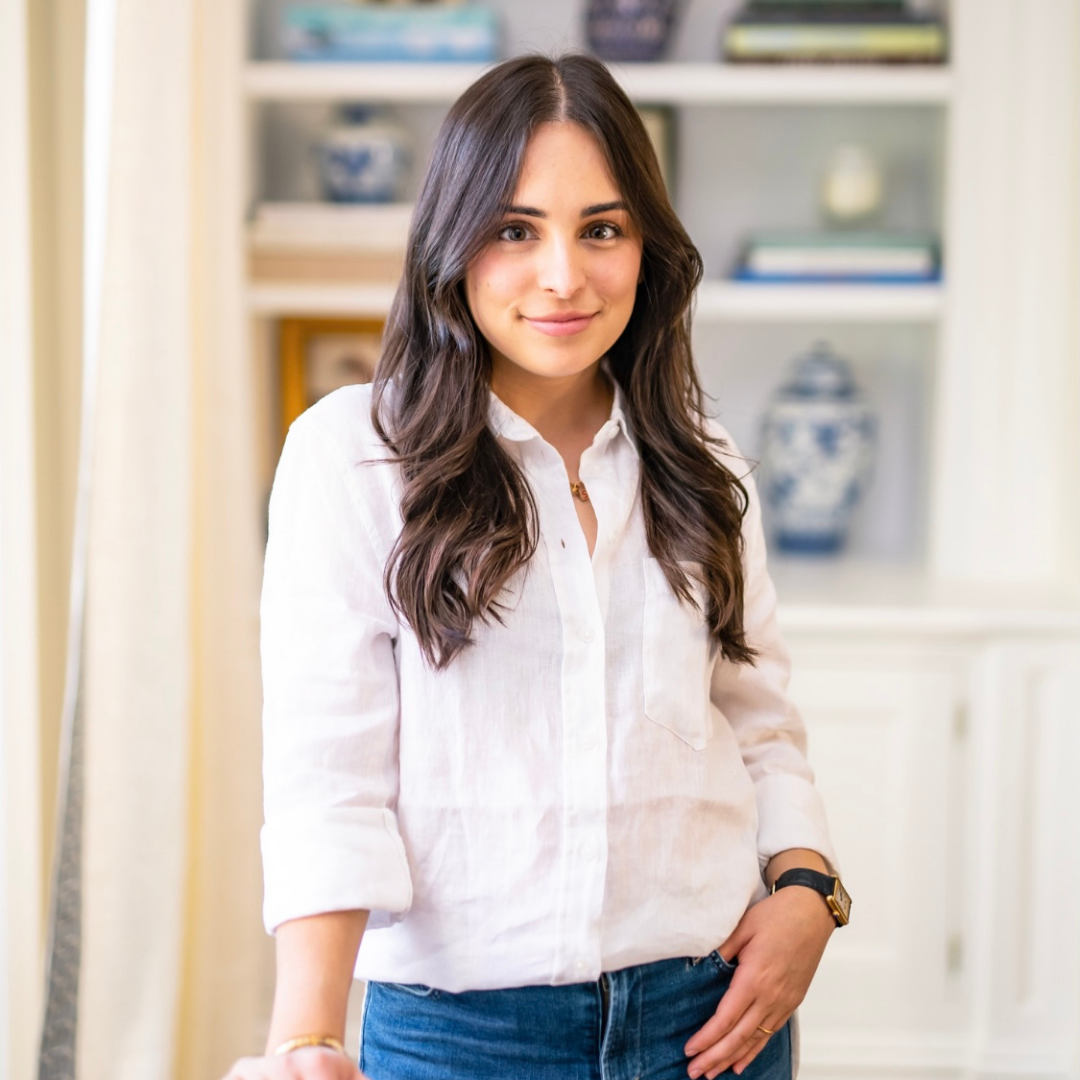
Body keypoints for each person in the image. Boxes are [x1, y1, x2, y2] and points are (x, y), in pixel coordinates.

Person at [222, 51, 850, 1080]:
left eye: (602, 229)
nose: (565, 274)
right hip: (460, 1036)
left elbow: (758, 721)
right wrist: (309, 1038)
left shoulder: (703, 461)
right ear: (452, 245)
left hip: (712, 1019)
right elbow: (326, 776)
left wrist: (807, 891)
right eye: (516, 230)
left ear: (647, 248)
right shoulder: (351, 459)